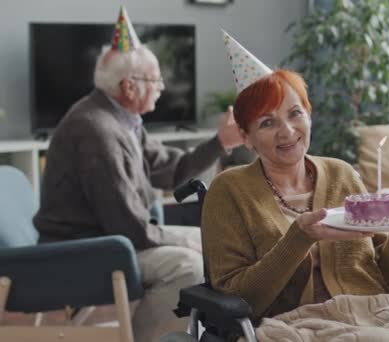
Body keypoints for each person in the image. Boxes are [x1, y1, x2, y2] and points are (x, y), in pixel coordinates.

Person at [201, 32, 389, 341]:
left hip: (378, 314)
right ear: (245, 137)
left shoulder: (342, 175)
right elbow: (240, 299)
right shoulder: (229, 190)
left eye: (295, 114)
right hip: (294, 324)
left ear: (309, 116)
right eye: (267, 123)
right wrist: (299, 238)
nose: (287, 131)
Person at [33, 8, 242, 342]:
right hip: (83, 250)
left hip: (108, 237)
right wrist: (188, 240)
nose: (162, 86)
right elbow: (129, 227)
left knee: (215, 244)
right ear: (129, 86)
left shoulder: (122, 121)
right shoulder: (97, 131)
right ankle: (147, 337)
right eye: (155, 79)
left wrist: (221, 142)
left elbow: (170, 171)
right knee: (189, 265)